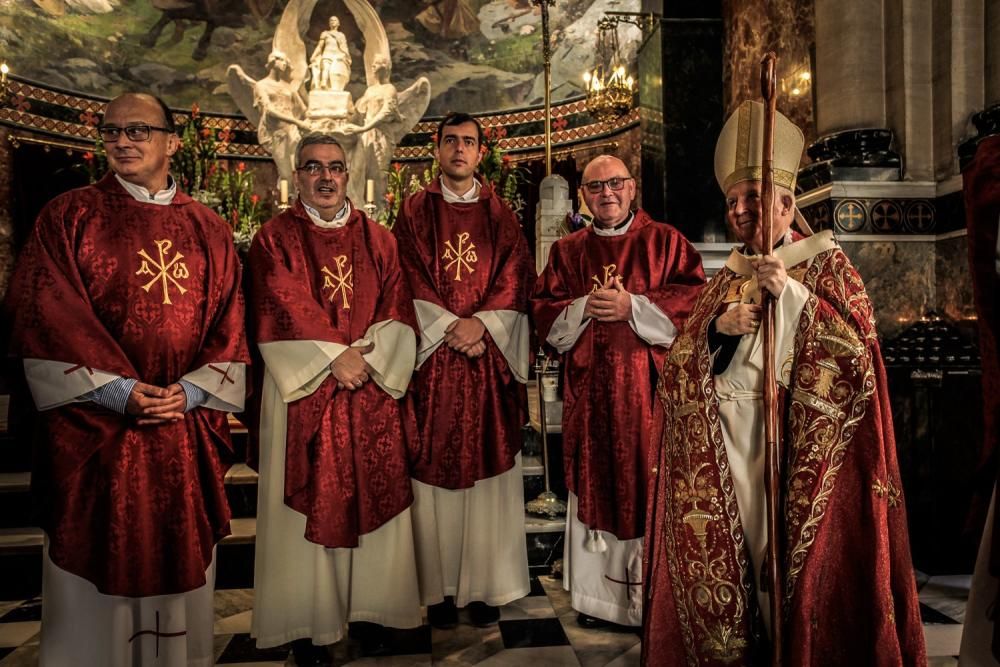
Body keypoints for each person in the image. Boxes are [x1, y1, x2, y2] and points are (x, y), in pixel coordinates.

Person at [642, 100, 927, 665]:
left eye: (755, 197)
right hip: (728, 465)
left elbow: (859, 364)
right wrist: (717, 333)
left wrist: (792, 298)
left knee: (792, 581)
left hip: (796, 454)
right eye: (734, 200)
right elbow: (677, 372)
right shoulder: (726, 279)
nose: (744, 210)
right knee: (743, 579)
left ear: (787, 203)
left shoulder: (825, 266)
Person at [3, 92, 249, 667]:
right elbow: (43, 315)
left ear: (173, 141)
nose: (122, 140)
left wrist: (188, 392)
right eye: (111, 131)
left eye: (138, 129)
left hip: (182, 424)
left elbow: (231, 321)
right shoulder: (69, 216)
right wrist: (117, 392)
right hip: (95, 430)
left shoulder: (208, 227)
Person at [248, 133, 438, 664]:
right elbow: (276, 303)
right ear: (297, 174)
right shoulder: (273, 239)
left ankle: (375, 612)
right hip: (303, 391)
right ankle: (311, 622)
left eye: (334, 167)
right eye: (313, 167)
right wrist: (334, 357)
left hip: (372, 390)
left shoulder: (380, 239)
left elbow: (398, 307)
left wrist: (367, 361)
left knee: (375, 494)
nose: (325, 177)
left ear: (348, 174)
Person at [531, 155, 705, 628]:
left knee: (649, 483)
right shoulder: (567, 252)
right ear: (583, 196)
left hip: (650, 397)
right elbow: (544, 314)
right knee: (596, 483)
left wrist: (634, 306)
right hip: (590, 398)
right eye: (595, 187)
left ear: (632, 189)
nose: (606, 193)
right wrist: (584, 306)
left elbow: (695, 304)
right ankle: (598, 602)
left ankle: (655, 599)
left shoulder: (666, 242)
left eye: (615, 184)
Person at [393, 112, 535, 627]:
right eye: (450, 141)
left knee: (486, 469)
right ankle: (437, 587)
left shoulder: (502, 216)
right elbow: (403, 274)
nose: (459, 149)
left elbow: (518, 275)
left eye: (468, 142)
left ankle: (483, 586)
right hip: (432, 365)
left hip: (487, 366)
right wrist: (452, 327)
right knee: (430, 468)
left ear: (481, 152)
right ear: (437, 149)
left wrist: (484, 327)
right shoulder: (412, 213)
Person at [310, 16, 352, 92]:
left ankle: (335, 87)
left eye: (335, 20)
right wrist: (313, 55)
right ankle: (323, 84)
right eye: (331, 20)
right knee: (326, 69)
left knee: (335, 71)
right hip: (327, 54)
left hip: (338, 55)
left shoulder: (341, 35)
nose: (333, 21)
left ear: (338, 23)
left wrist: (346, 56)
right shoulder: (325, 33)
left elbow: (344, 47)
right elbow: (319, 46)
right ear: (329, 23)